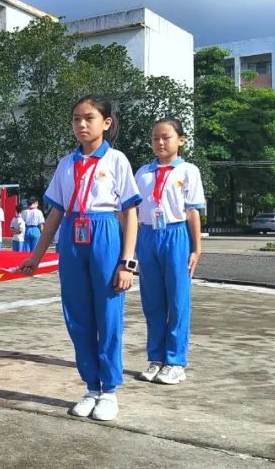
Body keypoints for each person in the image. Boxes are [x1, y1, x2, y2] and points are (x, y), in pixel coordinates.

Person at [20, 95, 141, 422]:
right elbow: (55, 213)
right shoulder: (66, 164)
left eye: (89, 118)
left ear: (106, 123)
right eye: (76, 119)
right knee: (77, 316)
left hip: (103, 231)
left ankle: (110, 391)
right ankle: (91, 386)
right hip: (72, 235)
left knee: (108, 315)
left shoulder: (116, 161)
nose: (81, 125)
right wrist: (36, 255)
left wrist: (127, 262)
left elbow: (130, 213)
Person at [134, 118, 206, 386]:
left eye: (166, 137)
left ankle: (175, 361)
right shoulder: (142, 173)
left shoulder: (188, 171)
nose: (160, 143)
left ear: (181, 140)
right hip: (148, 234)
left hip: (176, 234)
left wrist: (196, 248)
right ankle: (156, 358)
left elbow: (192, 212)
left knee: (177, 300)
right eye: (155, 138)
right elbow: (132, 211)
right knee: (152, 301)